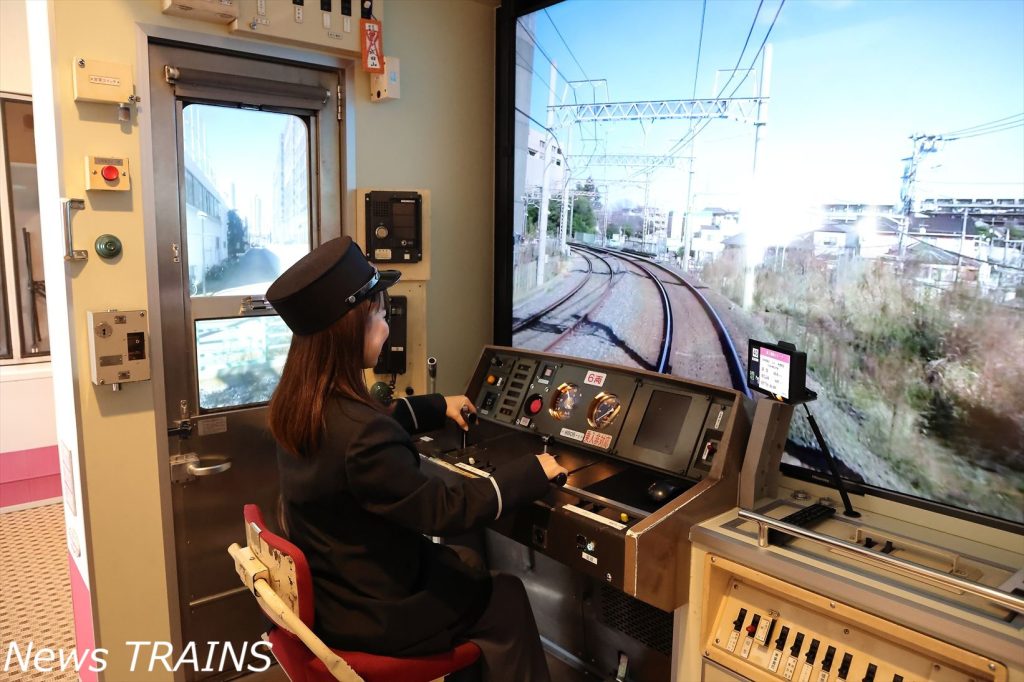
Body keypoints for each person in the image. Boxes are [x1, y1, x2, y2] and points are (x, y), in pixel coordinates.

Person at [266, 236, 567, 682]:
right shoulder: (362, 435)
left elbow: (367, 424)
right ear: (350, 329)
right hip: (377, 616)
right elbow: (444, 510)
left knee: (465, 565)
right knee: (504, 593)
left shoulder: (299, 406)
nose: (387, 328)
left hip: (339, 597)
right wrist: (529, 473)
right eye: (379, 315)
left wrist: (436, 405)